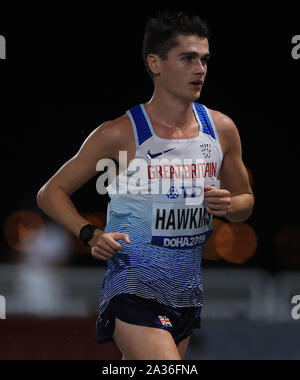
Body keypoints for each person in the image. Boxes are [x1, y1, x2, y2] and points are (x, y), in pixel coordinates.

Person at [37, 11, 254, 360]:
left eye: (204, 59)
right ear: (155, 62)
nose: (200, 69)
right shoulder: (120, 133)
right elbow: (50, 193)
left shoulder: (222, 129)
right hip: (133, 286)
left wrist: (230, 206)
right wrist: (89, 234)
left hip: (186, 292)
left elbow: (246, 203)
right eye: (187, 58)